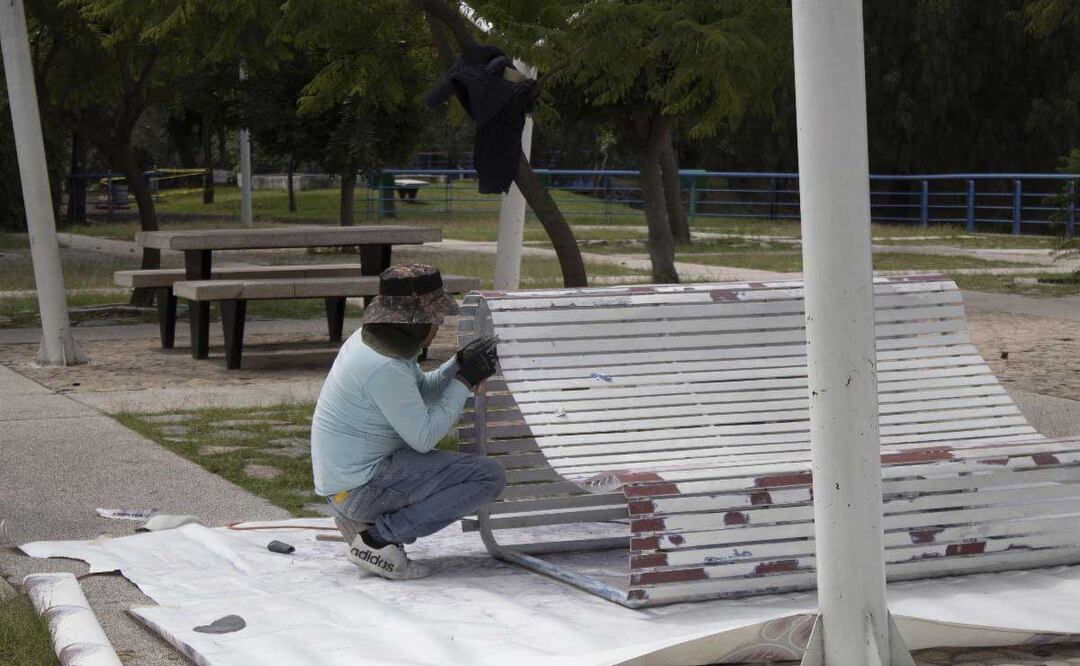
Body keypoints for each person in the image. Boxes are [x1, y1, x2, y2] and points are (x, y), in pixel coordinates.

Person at [311, 264, 503, 580]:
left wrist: (457, 364)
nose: (439, 323)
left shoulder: (376, 341)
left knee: (477, 473)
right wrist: (465, 382)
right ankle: (379, 539)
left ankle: (375, 530)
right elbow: (425, 436)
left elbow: (420, 392)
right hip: (358, 490)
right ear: (415, 320)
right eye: (436, 316)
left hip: (353, 480)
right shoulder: (382, 364)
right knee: (487, 477)